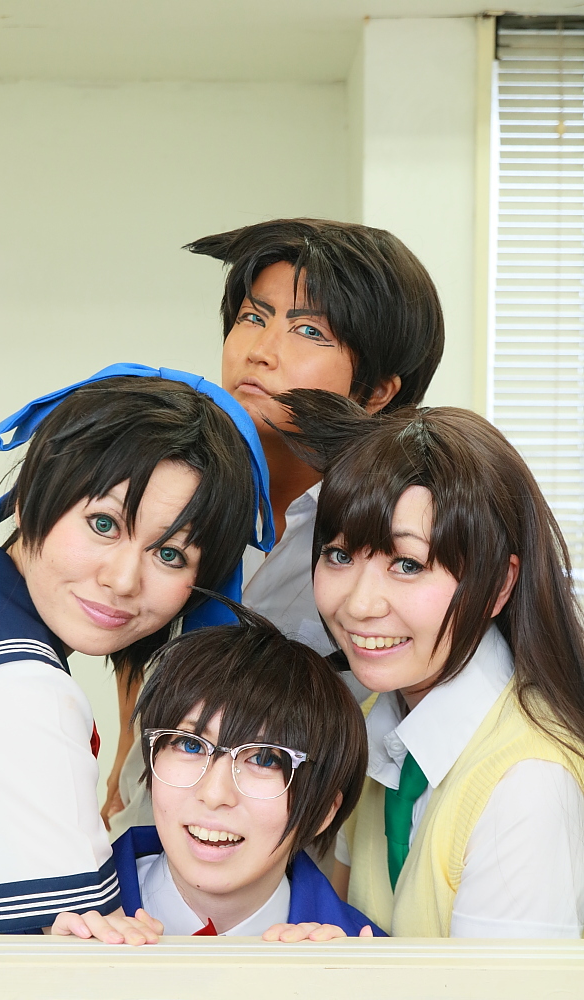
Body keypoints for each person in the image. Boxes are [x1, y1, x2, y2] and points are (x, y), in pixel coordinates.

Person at [104, 218, 445, 831]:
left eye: (308, 331)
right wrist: (123, 758)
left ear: (376, 393)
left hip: (292, 849)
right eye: (252, 317)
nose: (259, 350)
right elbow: (138, 621)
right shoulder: (182, 483)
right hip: (145, 829)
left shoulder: (394, 536)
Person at [0, 367, 271, 933]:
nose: (123, 579)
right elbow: (92, 959)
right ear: (30, 498)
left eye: (170, 555)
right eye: (104, 524)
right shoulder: (15, 689)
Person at [280, 388, 584, 938]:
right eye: (340, 555)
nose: (359, 605)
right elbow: (340, 928)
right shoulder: (374, 720)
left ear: (497, 584)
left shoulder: (530, 784)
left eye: (408, 564)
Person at [52, 600, 385, 943]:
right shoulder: (49, 924)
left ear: (325, 810)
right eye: (190, 745)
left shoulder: (377, 961)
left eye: (265, 759)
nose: (214, 794)